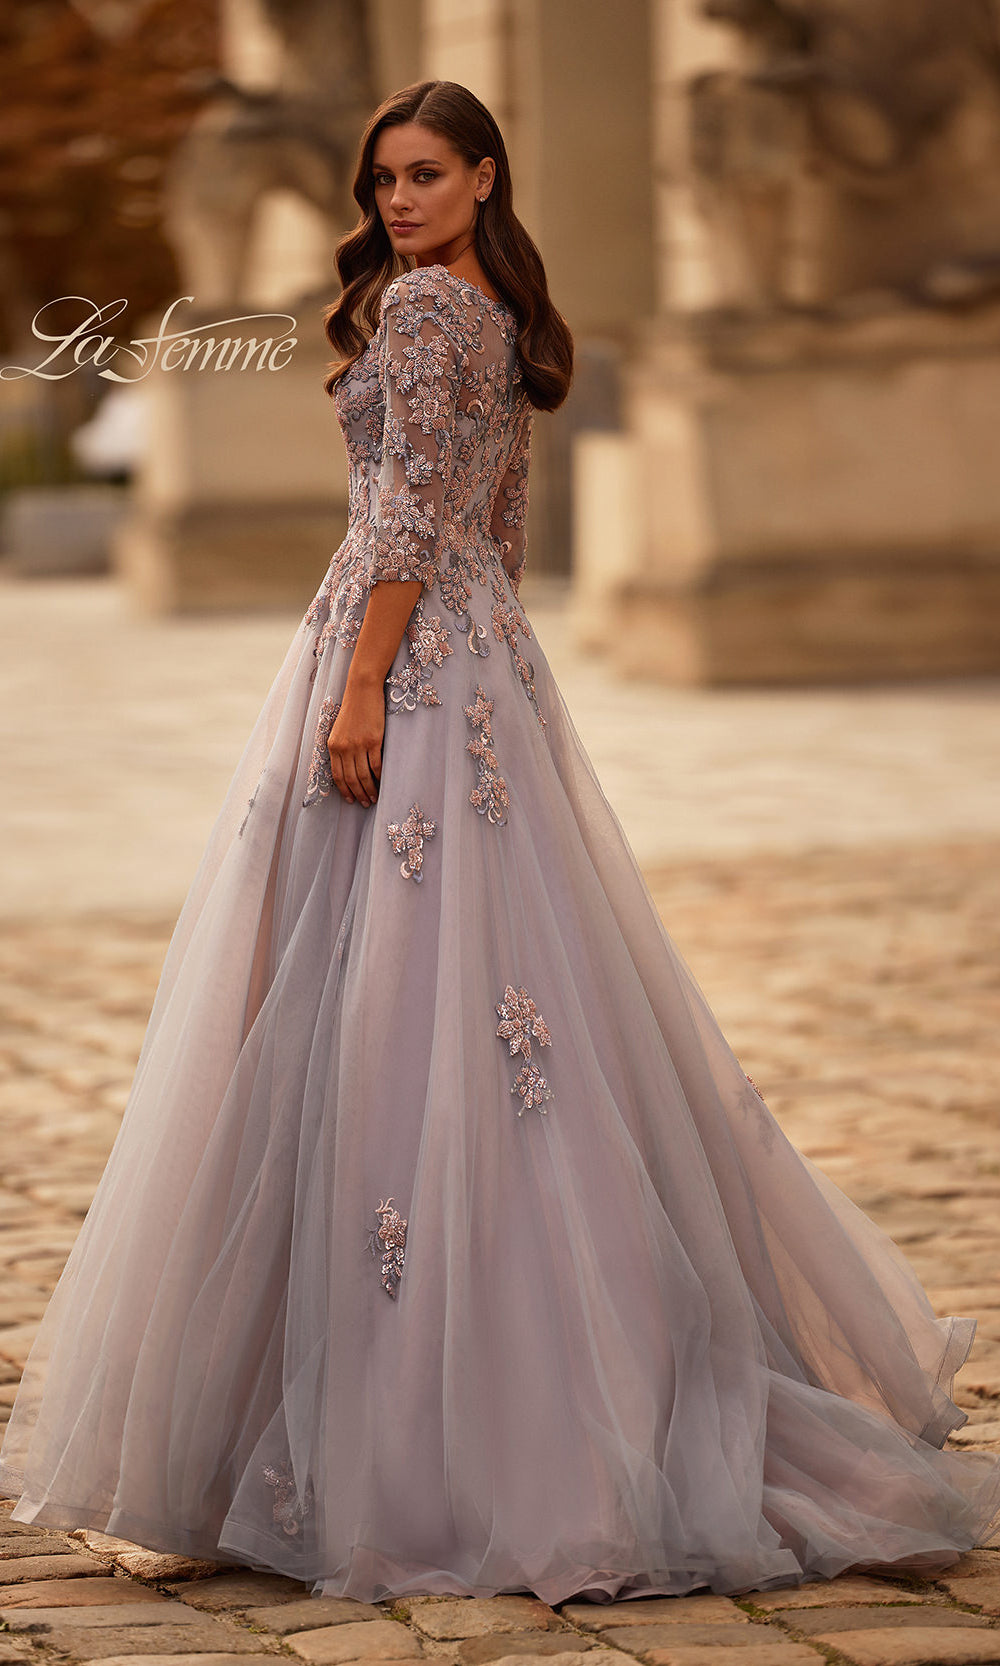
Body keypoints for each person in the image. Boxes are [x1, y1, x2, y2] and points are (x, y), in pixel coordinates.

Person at [1, 78, 999, 1608]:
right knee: (484, 1009)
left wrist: (360, 685)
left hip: (399, 661)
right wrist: (487, 668)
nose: (396, 200)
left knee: (379, 1007)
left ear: (483, 176)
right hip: (481, 666)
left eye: (423, 175)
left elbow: (405, 509)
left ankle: (410, 1429)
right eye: (383, 178)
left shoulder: (419, 315)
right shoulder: (491, 314)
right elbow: (496, 520)